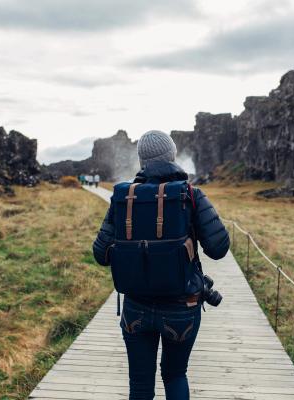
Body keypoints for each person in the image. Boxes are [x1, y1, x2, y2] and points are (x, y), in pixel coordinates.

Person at [93, 130, 229, 400]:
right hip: (182, 308)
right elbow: (219, 249)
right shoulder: (191, 195)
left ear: (142, 161)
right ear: (172, 156)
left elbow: (101, 254)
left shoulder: (125, 198)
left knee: (140, 385)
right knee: (175, 374)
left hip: (135, 309)